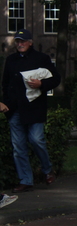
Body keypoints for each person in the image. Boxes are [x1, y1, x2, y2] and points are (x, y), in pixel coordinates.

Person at [1, 29, 61, 193]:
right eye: (17, 41)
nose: (20, 44)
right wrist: (3, 103)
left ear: (30, 42)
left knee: (36, 140)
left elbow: (56, 78)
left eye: (23, 41)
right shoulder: (11, 60)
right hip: (14, 110)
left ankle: (47, 169)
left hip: (34, 109)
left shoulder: (41, 58)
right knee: (18, 147)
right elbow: (5, 84)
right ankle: (26, 180)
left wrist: (42, 85)